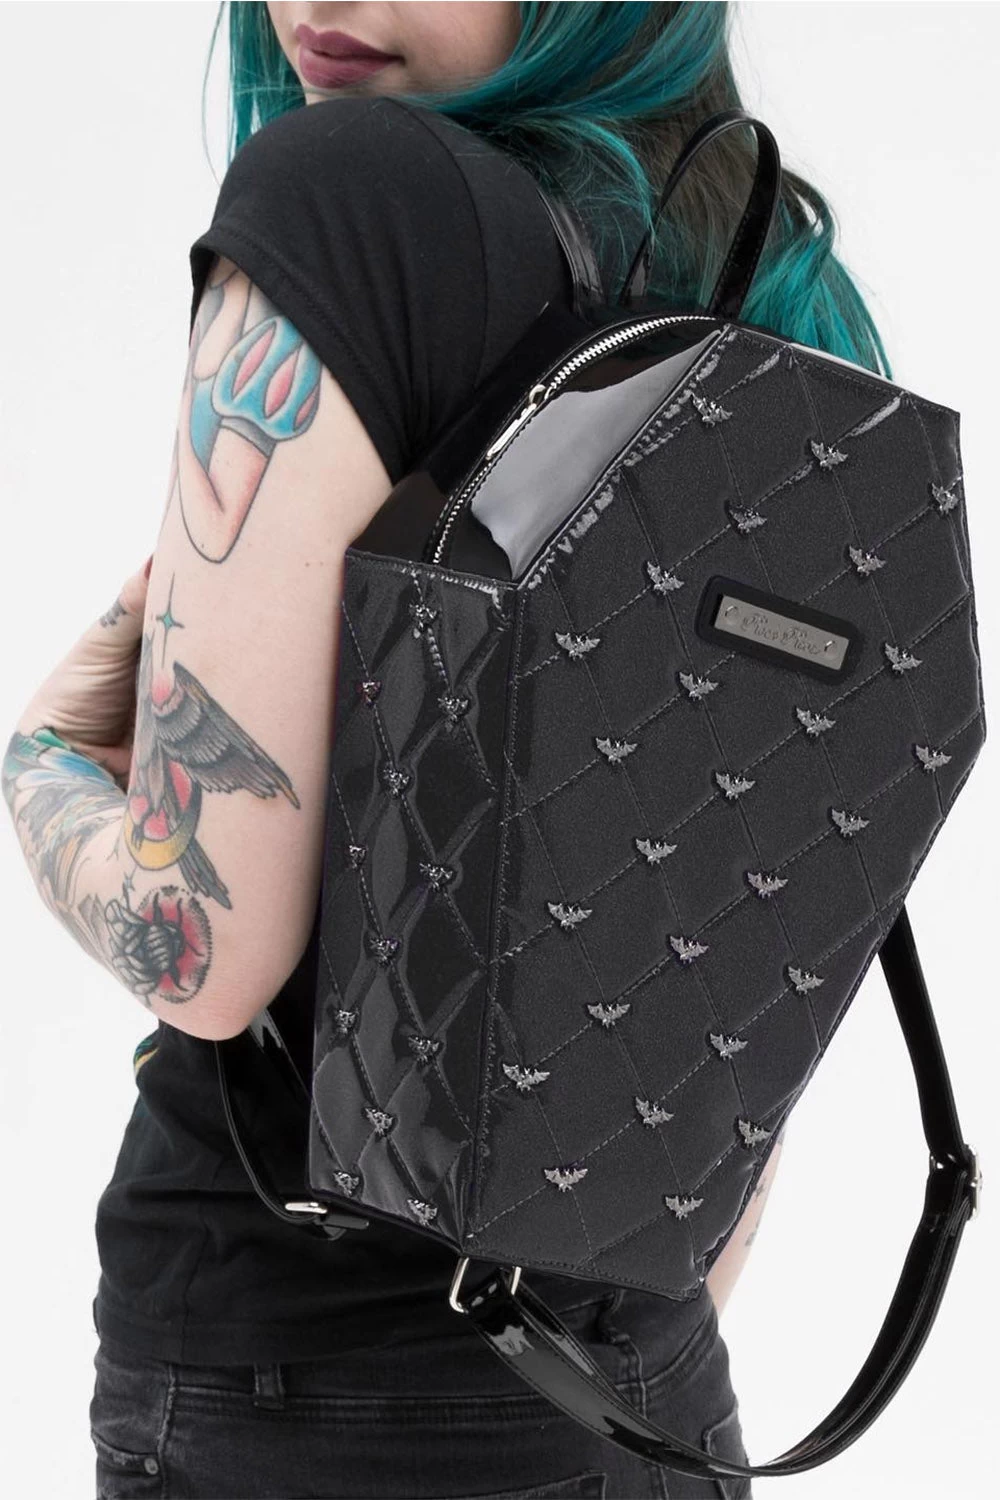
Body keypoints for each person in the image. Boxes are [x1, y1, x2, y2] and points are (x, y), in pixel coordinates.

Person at [1, 4, 891, 1497]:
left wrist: (38, 758)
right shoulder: (773, 277)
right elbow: (754, 963)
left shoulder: (348, 197)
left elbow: (198, 946)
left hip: (302, 1386)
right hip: (650, 1392)